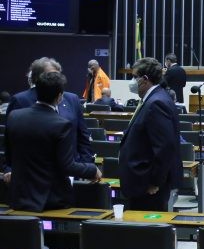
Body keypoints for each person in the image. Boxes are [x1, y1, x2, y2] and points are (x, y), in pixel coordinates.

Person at [6, 71, 101, 212]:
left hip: (19, 197)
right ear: (60, 96)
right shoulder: (61, 124)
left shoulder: (14, 117)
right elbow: (67, 166)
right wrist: (92, 170)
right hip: (50, 200)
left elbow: (9, 156)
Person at [118, 57, 183, 211]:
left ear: (145, 79)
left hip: (148, 185)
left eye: (135, 77)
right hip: (142, 180)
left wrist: (155, 182)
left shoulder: (156, 103)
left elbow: (165, 147)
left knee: (147, 231)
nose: (132, 81)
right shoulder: (153, 99)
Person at [8, 57, 94, 163]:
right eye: (52, 76)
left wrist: (87, 165)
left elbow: (83, 136)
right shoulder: (20, 100)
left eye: (58, 75)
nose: (57, 80)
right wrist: (9, 168)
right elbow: (11, 141)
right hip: (34, 168)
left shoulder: (72, 99)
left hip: (71, 167)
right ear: (37, 79)